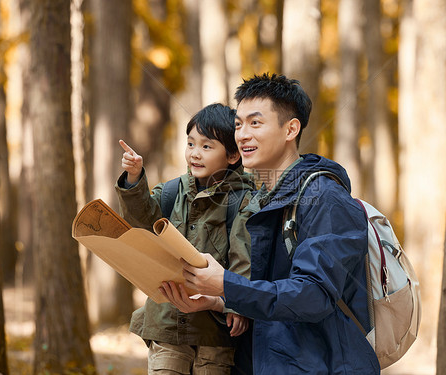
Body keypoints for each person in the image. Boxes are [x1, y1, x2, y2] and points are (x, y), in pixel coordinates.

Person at [160, 73, 381, 374]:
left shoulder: (324, 198)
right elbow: (264, 293)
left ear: (291, 129)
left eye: (255, 123)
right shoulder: (262, 198)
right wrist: (218, 300)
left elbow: (312, 296)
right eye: (238, 124)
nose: (242, 134)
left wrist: (226, 283)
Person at [116, 103, 254, 375]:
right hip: (166, 325)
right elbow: (140, 222)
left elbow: (243, 259)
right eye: (190, 144)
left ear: (233, 155)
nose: (195, 154)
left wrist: (237, 305)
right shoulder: (170, 192)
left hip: (214, 333)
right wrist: (134, 179)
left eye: (206, 146)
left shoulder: (242, 201)